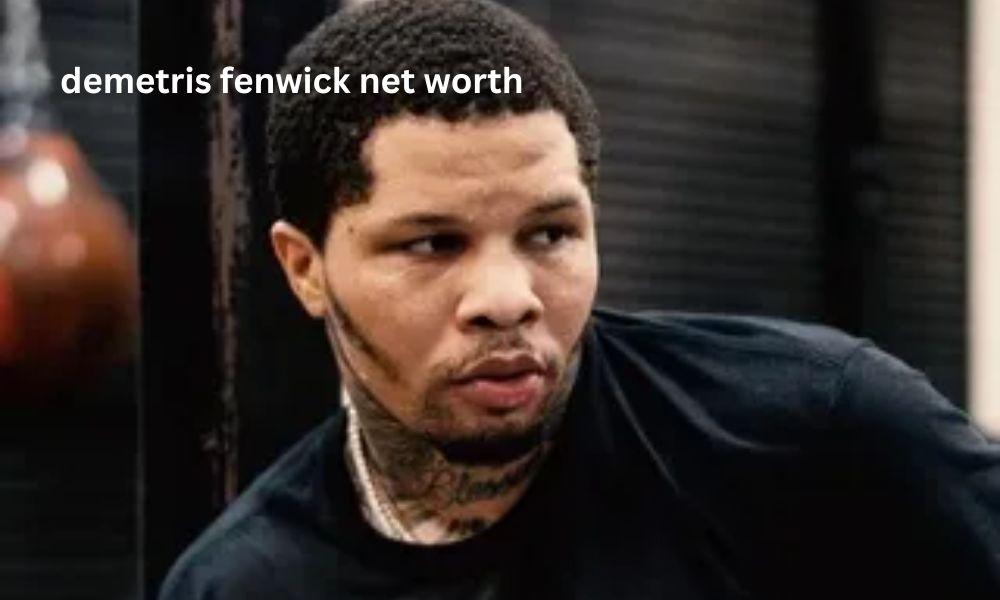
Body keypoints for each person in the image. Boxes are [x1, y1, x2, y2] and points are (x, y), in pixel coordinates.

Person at [158, 0, 1000, 598]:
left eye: (550, 234)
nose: (506, 299)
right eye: (432, 244)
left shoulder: (819, 431)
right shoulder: (240, 582)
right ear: (305, 268)